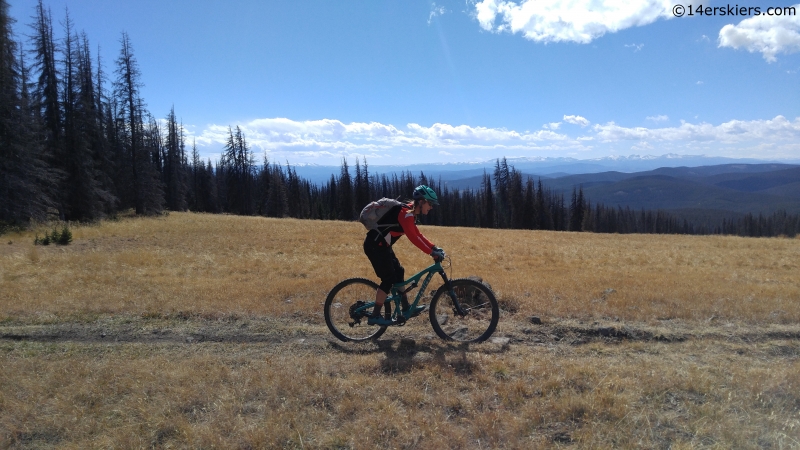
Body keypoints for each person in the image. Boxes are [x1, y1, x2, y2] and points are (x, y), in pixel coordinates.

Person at [363, 185, 446, 326]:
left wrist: (433, 247)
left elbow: (418, 234)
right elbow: (413, 237)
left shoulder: (410, 212)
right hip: (375, 247)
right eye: (430, 203)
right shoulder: (406, 214)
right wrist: (431, 252)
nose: (431, 207)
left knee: (399, 272)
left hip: (383, 246)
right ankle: (375, 314)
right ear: (421, 202)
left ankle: (406, 307)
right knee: (388, 279)